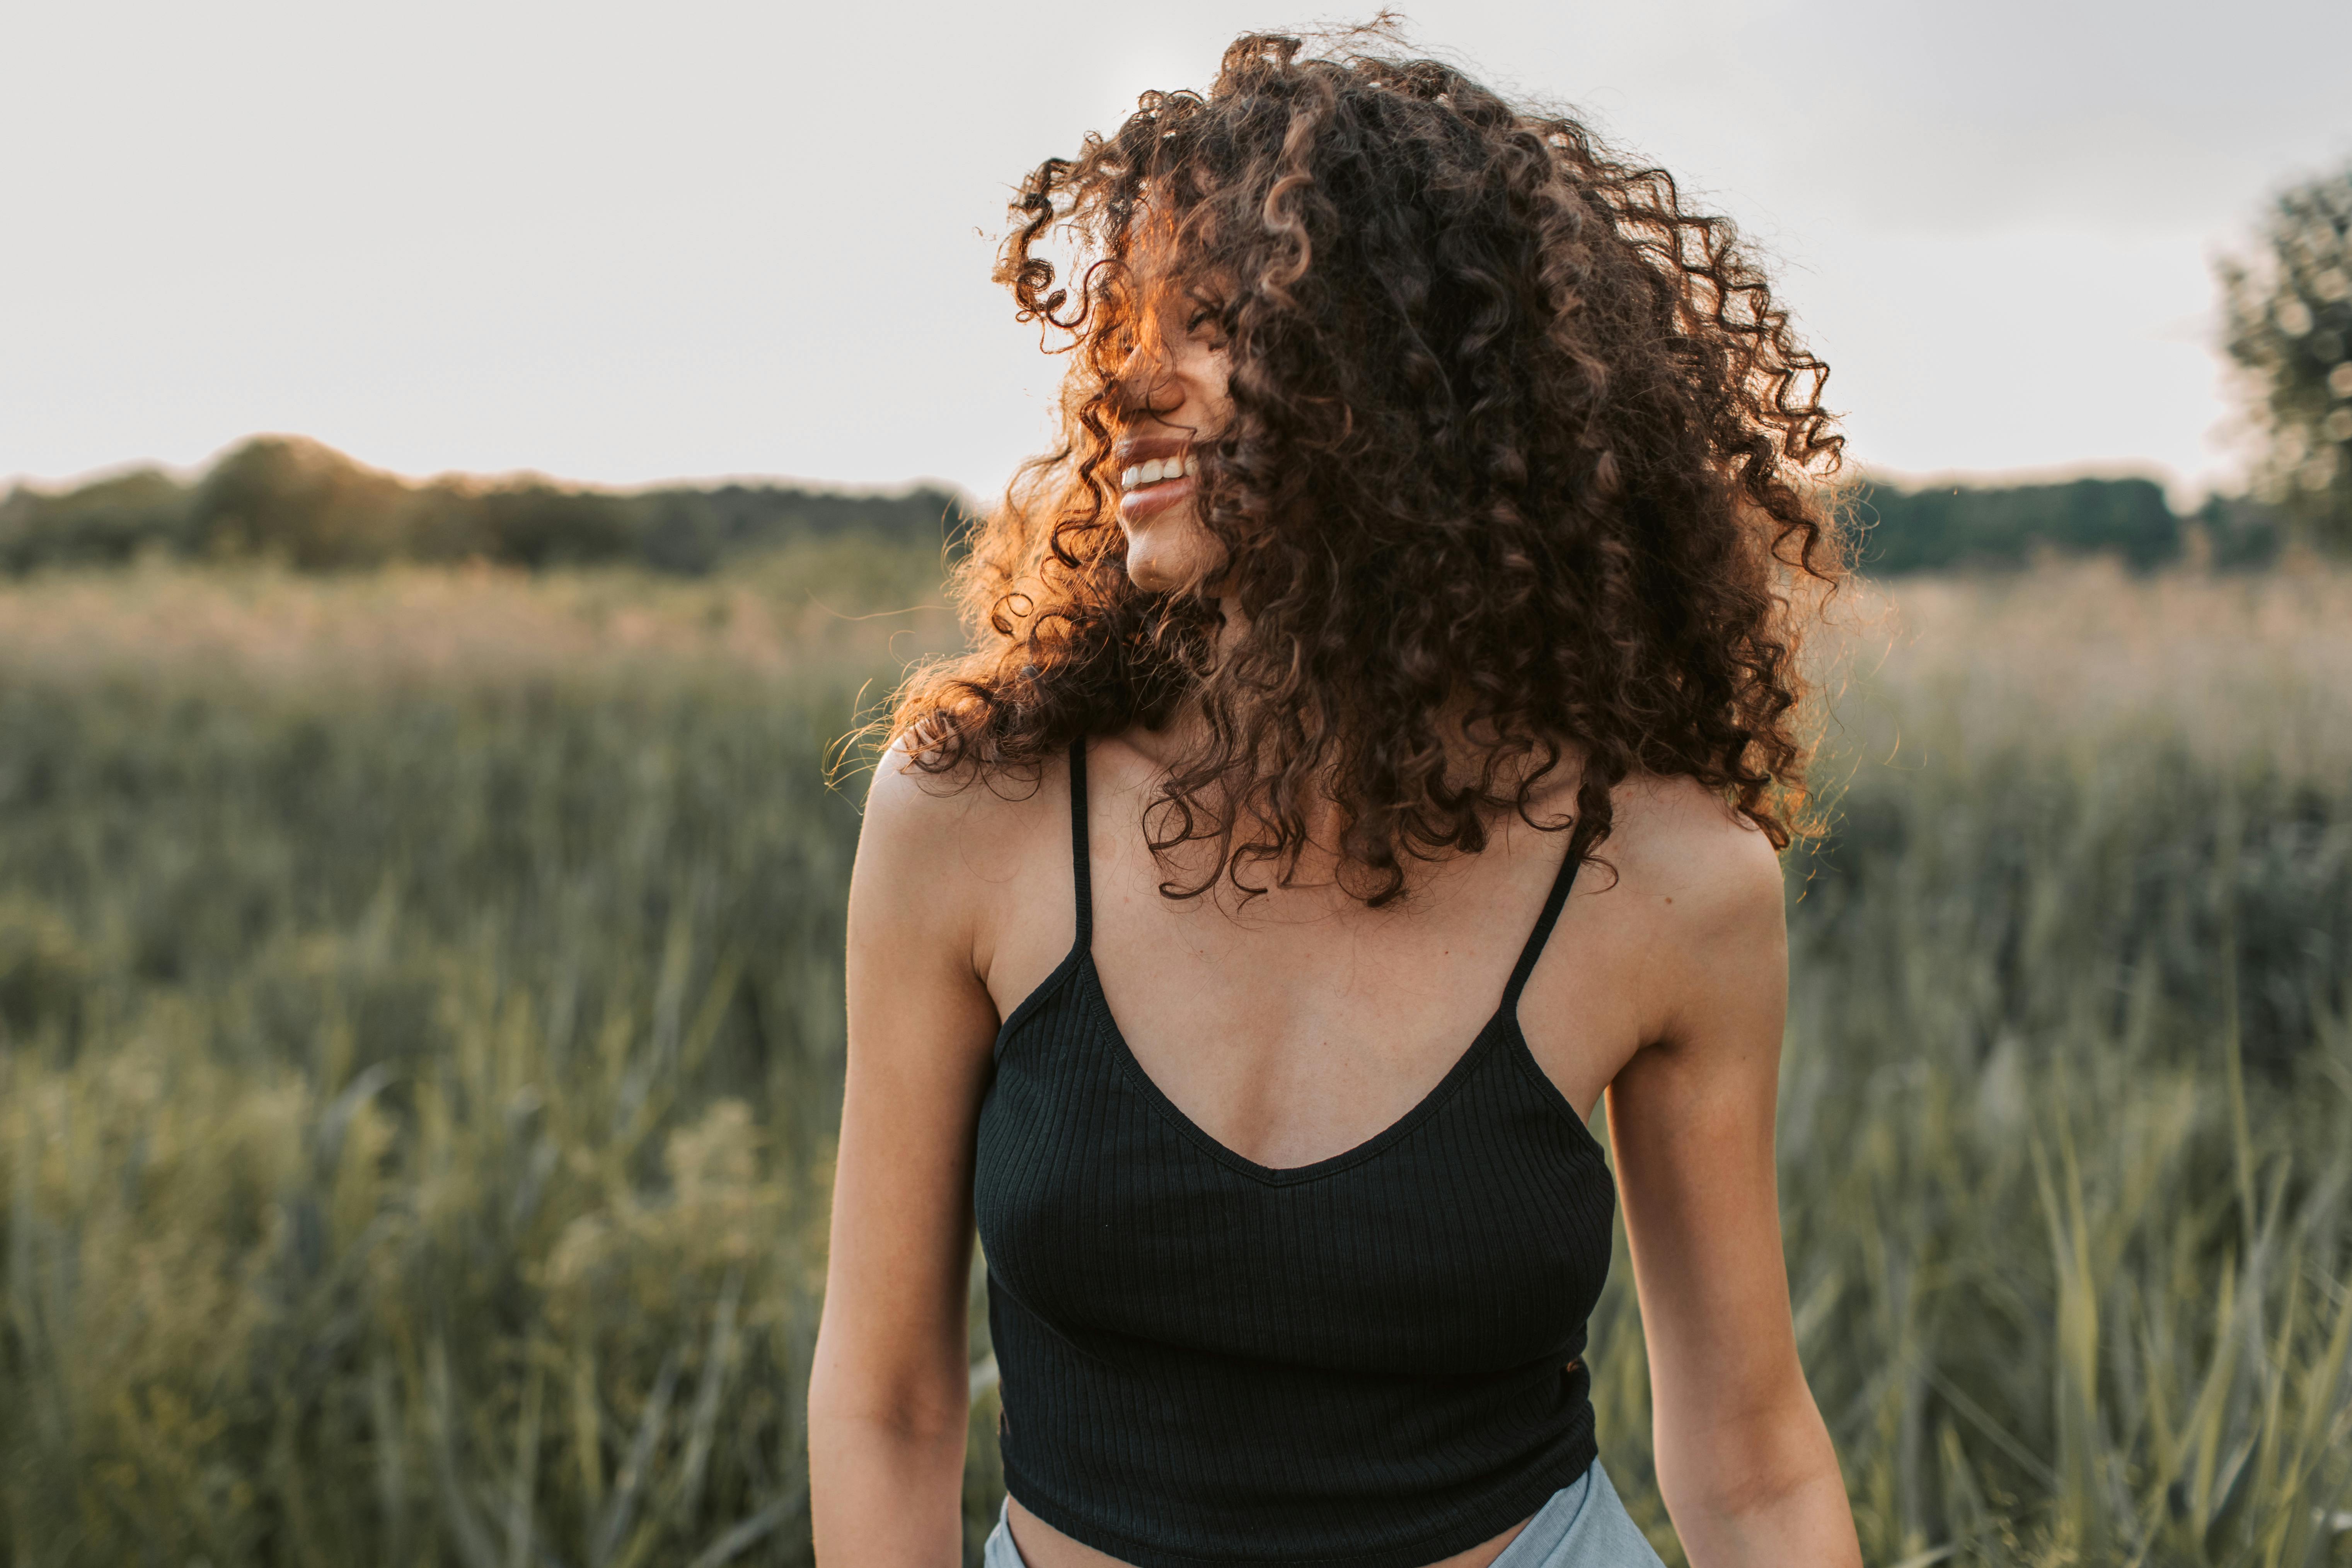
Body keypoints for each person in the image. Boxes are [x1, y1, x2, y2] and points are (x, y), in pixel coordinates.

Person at [810, 26, 1863, 1568]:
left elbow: (1754, 1459)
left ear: (1411, 380)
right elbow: (890, 1399)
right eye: (1124, 326)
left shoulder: (1667, 882)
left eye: (1215, 321)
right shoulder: (976, 806)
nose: (1133, 383)